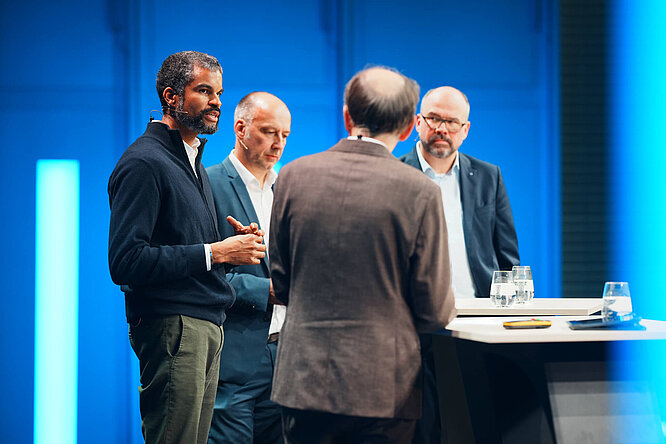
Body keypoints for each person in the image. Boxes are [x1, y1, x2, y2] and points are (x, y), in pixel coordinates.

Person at [269, 66, 457, 444]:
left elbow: (282, 284)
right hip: (383, 388)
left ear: (347, 115)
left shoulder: (290, 176)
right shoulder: (420, 192)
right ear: (408, 128)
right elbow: (434, 309)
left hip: (303, 383)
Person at [108, 51, 267, 444]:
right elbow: (126, 261)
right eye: (204, 91)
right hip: (175, 328)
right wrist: (217, 252)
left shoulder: (190, 159)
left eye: (219, 92)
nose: (216, 101)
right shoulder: (145, 162)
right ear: (171, 96)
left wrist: (230, 250)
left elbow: (185, 250)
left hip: (204, 326)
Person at [399, 86, 519, 444]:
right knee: (424, 426)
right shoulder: (395, 174)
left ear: (465, 129)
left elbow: (507, 255)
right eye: (434, 118)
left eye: (452, 122)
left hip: (477, 320)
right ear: (418, 122)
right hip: (411, 322)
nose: (442, 129)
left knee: (477, 420)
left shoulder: (488, 176)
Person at [206, 92, 291, 444]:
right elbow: (201, 269)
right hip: (233, 357)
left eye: (285, 135)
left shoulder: (288, 188)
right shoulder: (206, 185)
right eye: (270, 132)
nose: (278, 143)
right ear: (240, 128)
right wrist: (267, 291)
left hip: (287, 358)